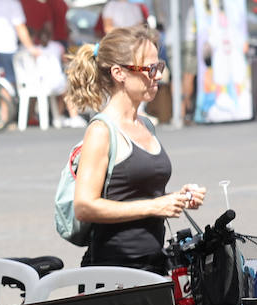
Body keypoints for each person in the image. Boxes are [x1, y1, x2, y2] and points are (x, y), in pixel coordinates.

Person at [65, 25, 205, 274]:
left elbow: (136, 192)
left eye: (159, 66)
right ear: (119, 73)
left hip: (153, 263)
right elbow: (84, 206)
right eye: (150, 69)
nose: (158, 75)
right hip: (114, 272)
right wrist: (155, 206)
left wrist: (177, 198)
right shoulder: (101, 130)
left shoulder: (146, 124)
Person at [0, 0, 36, 88]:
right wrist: (31, 48)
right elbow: (20, 27)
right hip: (6, 47)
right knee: (7, 83)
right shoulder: (13, 4)